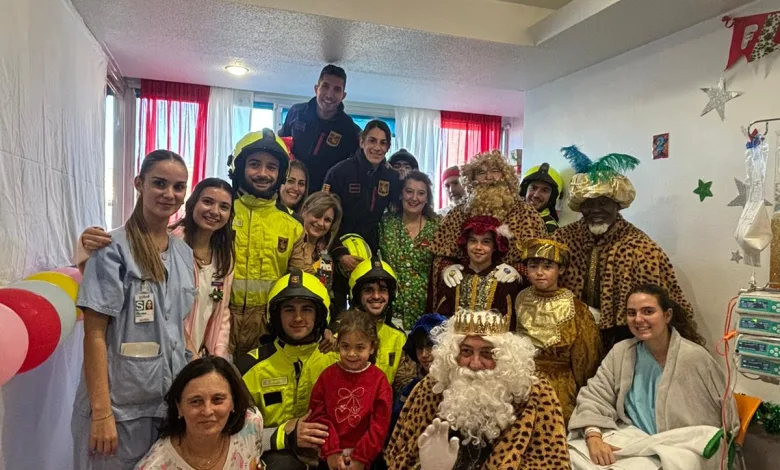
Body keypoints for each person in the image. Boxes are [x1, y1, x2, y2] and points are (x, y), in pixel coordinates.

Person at [72, 150, 196, 469]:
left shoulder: (183, 254)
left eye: (179, 187)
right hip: (118, 412)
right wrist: (101, 413)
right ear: (138, 183)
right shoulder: (111, 249)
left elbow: (176, 328)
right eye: (159, 183)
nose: (169, 194)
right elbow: (95, 334)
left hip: (166, 407)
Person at [568, 284, 738, 468]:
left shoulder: (695, 358)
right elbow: (594, 397)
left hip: (679, 447)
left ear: (667, 315)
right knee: (570, 455)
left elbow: (724, 420)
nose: (638, 319)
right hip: (631, 440)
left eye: (648, 311)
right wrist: (593, 436)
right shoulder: (621, 353)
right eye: (631, 313)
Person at [552, 145, 701, 352]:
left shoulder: (641, 249)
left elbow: (665, 309)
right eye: (588, 203)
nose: (595, 210)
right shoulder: (562, 239)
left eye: (603, 202)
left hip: (624, 343)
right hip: (569, 336)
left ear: (617, 205)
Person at [385, 309, 570, 470]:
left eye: (487, 353)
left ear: (504, 357)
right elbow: (399, 457)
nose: (474, 363)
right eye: (466, 351)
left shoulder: (535, 395)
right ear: (453, 354)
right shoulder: (431, 387)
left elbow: (551, 463)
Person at [75, 178, 236, 358]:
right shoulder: (166, 244)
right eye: (207, 202)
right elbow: (110, 265)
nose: (214, 211)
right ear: (192, 203)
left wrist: (218, 356)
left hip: (200, 356)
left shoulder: (225, 258)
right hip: (164, 356)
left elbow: (222, 313)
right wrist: (87, 244)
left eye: (224, 207)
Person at [236, 269, 337, 470]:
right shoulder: (249, 368)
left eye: (307, 309)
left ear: (320, 314)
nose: (298, 318)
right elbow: (233, 435)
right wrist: (284, 435)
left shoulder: (339, 361)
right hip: (273, 457)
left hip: (331, 454)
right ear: (275, 316)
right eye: (289, 309)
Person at [227, 128, 311, 357]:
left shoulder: (292, 226)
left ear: (280, 173)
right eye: (255, 164)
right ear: (239, 166)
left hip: (268, 329)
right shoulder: (221, 213)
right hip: (218, 323)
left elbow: (303, 283)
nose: (263, 173)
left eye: (271, 167)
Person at [428, 150, 545, 311]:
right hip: (462, 300)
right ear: (472, 179)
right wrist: (446, 268)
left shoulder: (527, 214)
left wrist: (519, 271)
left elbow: (542, 260)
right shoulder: (458, 213)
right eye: (481, 172)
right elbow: (440, 255)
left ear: (505, 176)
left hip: (510, 299)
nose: (489, 177)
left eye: (495, 171)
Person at [515, 238, 600, 424]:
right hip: (521, 379)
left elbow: (586, 357)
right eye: (533, 266)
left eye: (547, 266)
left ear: (560, 269)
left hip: (559, 386)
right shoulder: (519, 299)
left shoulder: (575, 307)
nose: (539, 273)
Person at [323, 120, 401, 314]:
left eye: (383, 143)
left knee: (369, 310)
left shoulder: (391, 177)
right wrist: (340, 253)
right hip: (338, 252)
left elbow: (395, 215)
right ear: (361, 142)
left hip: (371, 256)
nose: (377, 147)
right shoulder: (339, 172)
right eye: (372, 141)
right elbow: (324, 217)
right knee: (336, 311)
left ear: (388, 147)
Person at [135, 356, 264, 470]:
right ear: (179, 407)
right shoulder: (154, 466)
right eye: (196, 401)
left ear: (233, 402)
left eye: (217, 399)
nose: (207, 411)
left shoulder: (251, 426)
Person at [308, 309, 393, 470]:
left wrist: (361, 457)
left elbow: (379, 425)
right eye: (345, 346)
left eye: (360, 348)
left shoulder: (379, 380)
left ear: (372, 347)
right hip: (329, 458)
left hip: (366, 460)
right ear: (338, 343)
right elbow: (317, 415)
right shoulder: (327, 377)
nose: (351, 354)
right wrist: (331, 452)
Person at [279, 64, 361, 192]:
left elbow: (367, 151)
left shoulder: (349, 128)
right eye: (325, 86)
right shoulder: (296, 112)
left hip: (323, 196)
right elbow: (281, 144)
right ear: (316, 88)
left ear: (343, 96)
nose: (329, 94)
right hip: (290, 188)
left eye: (337, 89)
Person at [379, 171, 439, 329]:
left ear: (427, 199)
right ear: (401, 194)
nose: (414, 198)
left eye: (421, 193)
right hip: (389, 311)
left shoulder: (438, 226)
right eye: (409, 191)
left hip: (426, 315)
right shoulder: (386, 223)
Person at [432, 216, 519, 319]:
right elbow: (442, 319)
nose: (478, 247)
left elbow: (508, 322)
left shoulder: (504, 279)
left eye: (486, 242)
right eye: (473, 241)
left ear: (495, 247)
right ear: (466, 244)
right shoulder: (455, 276)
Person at [348, 256, 406, 385]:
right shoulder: (339, 335)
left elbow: (403, 386)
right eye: (368, 290)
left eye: (382, 290)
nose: (376, 296)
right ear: (357, 296)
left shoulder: (399, 338)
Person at [391, 313, 447, 427]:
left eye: (431, 345)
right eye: (419, 348)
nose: (424, 354)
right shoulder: (411, 389)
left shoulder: (458, 390)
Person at [300, 191, 344, 294]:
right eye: (317, 215)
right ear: (304, 211)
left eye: (327, 220)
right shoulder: (289, 247)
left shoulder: (327, 256)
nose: (321, 223)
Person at [520, 163, 564, 233]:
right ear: (525, 190)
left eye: (545, 190)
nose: (536, 195)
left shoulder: (550, 229)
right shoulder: (511, 214)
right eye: (533, 188)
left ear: (552, 197)